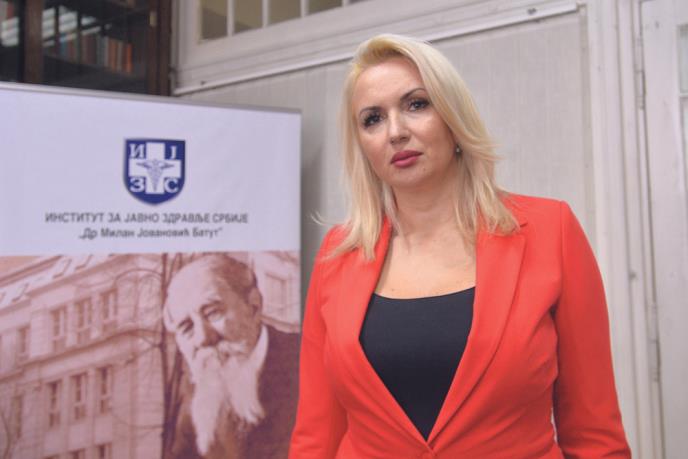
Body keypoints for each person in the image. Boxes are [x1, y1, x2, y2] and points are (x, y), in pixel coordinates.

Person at [289, 34, 631, 458]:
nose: (396, 132)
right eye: (372, 119)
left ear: (453, 118)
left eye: (417, 104)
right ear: (361, 145)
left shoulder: (550, 231)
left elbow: (594, 434)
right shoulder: (338, 253)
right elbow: (316, 435)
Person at [163, 254, 299, 459]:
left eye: (212, 313)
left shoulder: (310, 360)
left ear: (253, 307)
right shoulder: (197, 394)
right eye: (186, 327)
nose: (202, 338)